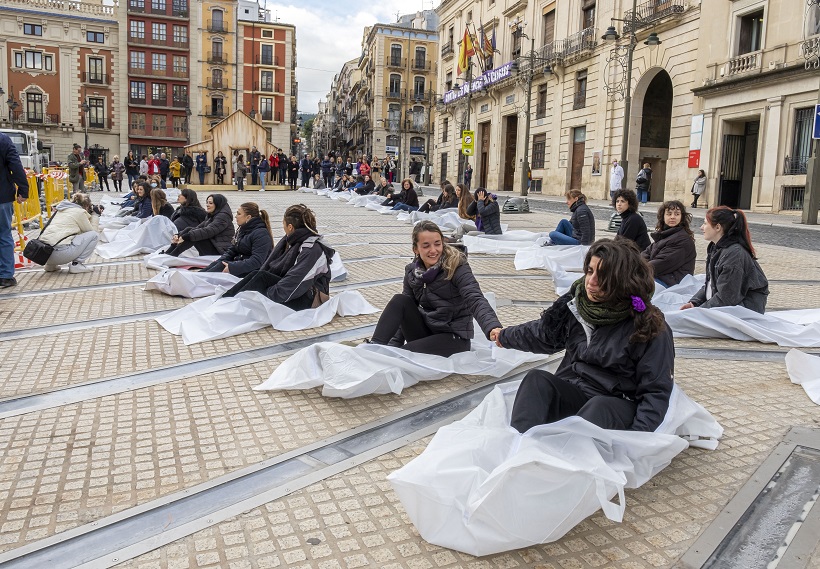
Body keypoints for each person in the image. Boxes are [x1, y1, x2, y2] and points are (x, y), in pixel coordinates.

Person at [492, 239, 673, 432]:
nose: (591, 281)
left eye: (602, 275)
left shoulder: (647, 324)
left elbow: (655, 391)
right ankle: (523, 446)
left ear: (621, 279)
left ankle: (568, 454)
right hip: (576, 391)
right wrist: (504, 336)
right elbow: (543, 333)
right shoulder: (577, 306)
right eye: (590, 271)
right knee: (536, 380)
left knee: (597, 408)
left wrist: (636, 441)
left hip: (615, 405)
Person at [368, 220, 502, 356]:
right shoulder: (412, 272)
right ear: (416, 249)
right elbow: (403, 312)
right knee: (400, 300)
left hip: (453, 337)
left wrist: (492, 326)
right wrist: (392, 346)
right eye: (426, 246)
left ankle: (385, 354)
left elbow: (474, 297)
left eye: (437, 244)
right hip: (427, 331)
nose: (433, 250)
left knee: (402, 354)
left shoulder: (457, 267)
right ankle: (374, 348)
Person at [222, 204, 334, 310]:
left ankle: (232, 304)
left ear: (290, 227)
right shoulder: (292, 241)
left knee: (262, 277)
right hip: (295, 292)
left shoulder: (312, 249)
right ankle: (227, 300)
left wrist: (265, 296)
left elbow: (295, 282)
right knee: (257, 274)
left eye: (283, 224)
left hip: (312, 299)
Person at [680, 206, 769, 313]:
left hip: (744, 311)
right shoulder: (716, 248)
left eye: (705, 223)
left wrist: (699, 312)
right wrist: (694, 303)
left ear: (717, 227)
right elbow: (710, 283)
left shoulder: (734, 254)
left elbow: (726, 298)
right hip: (726, 308)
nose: (701, 227)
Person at [203, 202, 274, 276]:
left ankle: (198, 279)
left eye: (239, 214)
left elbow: (257, 261)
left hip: (253, 272)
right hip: (240, 264)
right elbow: (231, 250)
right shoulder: (243, 229)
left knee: (219, 268)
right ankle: (195, 277)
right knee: (218, 264)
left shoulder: (261, 234)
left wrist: (232, 267)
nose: (236, 216)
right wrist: (219, 261)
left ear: (248, 217)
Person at [39, 193, 99, 274]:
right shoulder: (80, 212)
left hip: (44, 254)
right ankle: (76, 265)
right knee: (94, 236)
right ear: (87, 206)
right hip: (61, 255)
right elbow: (91, 232)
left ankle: (50, 266)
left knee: (62, 236)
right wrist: (95, 215)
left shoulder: (61, 210)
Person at [641, 200, 696, 288]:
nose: (673, 217)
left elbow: (661, 264)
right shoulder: (664, 234)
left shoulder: (682, 240)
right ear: (663, 216)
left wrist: (637, 268)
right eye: (669, 214)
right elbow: (646, 253)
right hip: (659, 277)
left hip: (671, 283)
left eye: (677, 214)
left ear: (682, 217)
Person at [0, 131, 29, 287]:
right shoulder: (3, 140)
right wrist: (23, 189)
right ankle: (5, 276)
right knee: (3, 235)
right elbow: (15, 165)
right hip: (2, 196)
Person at [165, 194, 234, 257]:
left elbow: (209, 231)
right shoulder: (213, 215)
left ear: (218, 204)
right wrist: (179, 235)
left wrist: (186, 236)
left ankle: (173, 255)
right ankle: (170, 252)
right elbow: (198, 227)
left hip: (220, 250)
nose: (207, 205)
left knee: (195, 235)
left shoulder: (222, 216)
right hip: (214, 245)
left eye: (210, 203)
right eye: (207, 202)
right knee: (190, 230)